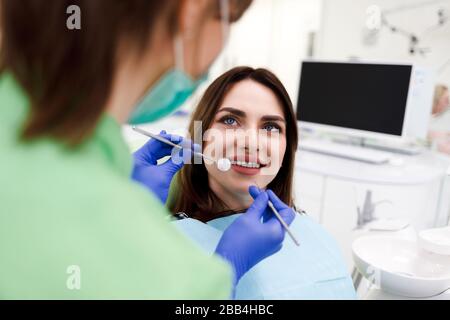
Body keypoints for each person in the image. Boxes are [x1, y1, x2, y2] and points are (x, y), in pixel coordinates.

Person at [0, 0, 295, 299]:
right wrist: (224, 271)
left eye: (271, 127)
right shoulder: (176, 279)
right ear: (191, 12)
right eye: (228, 19)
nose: (250, 141)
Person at [167, 67, 356, 299]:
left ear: (287, 149)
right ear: (200, 137)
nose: (252, 143)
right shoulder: (160, 240)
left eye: (270, 127)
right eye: (230, 120)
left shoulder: (317, 238)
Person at [428, 85, 450, 155]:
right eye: (446, 100)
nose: (448, 104)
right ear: (437, 98)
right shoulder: (426, 118)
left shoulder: (442, 117)